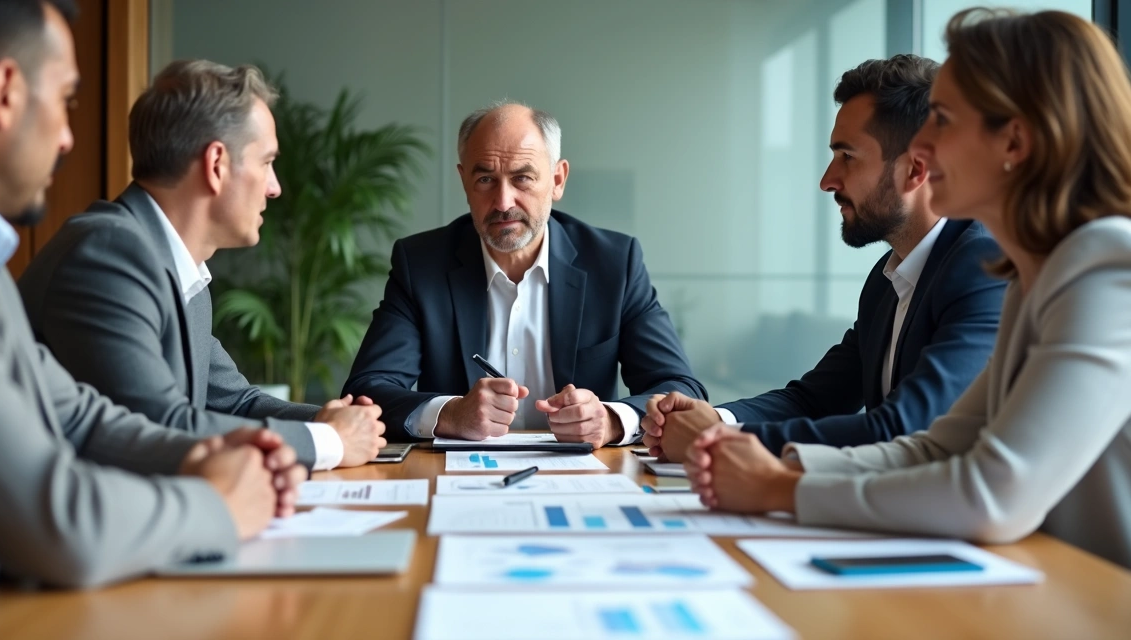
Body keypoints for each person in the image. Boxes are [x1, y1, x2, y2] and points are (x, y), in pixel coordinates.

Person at [684, 8, 1131, 571]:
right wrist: (781, 466)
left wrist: (779, 490)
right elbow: (939, 447)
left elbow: (994, 495)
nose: (920, 144)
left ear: (1013, 140)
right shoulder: (1029, 276)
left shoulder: (1105, 264)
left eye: (941, 119)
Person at [0, 0, 304, 626]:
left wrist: (197, 456)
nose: (69, 138)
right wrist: (219, 504)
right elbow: (58, 520)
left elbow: (78, 416)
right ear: (6, 92)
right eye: (67, 99)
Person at [18, 60, 386, 472]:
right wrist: (328, 441)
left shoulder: (175, 264)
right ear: (216, 165)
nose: (275, 186)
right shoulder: (108, 256)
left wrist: (328, 422)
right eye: (266, 162)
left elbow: (235, 403)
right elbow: (160, 429)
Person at [643, 55, 1005, 461]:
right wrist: (717, 419)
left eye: (847, 156)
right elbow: (813, 400)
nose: (827, 180)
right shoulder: (887, 280)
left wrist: (716, 440)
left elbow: (904, 427)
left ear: (915, 170)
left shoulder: (983, 267)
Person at [343, 101, 706, 448]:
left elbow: (681, 390)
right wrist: (449, 414)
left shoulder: (613, 263)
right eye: (485, 179)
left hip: (586, 480)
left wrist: (611, 420)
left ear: (557, 180)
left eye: (522, 178)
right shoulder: (421, 264)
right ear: (464, 181)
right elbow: (367, 390)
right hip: (457, 477)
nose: (503, 202)